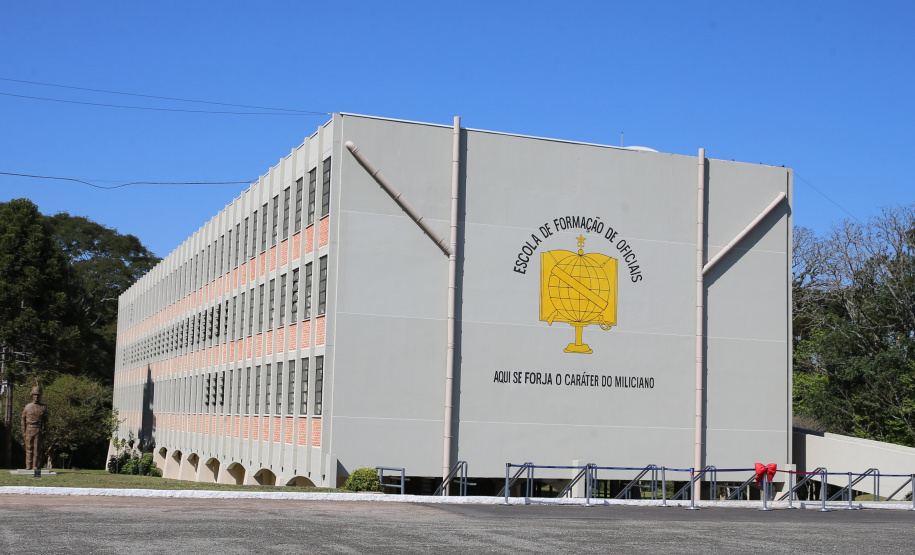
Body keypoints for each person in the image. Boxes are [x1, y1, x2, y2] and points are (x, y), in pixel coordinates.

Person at [21, 385, 48, 471]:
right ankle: (28, 465)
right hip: (29, 429)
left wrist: (45, 431)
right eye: (35, 395)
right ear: (32, 395)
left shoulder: (43, 407)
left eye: (38, 395)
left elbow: (46, 421)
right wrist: (24, 432)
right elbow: (23, 420)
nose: (36, 396)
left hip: (38, 430)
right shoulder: (27, 406)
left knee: (37, 449)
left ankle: (35, 466)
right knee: (29, 448)